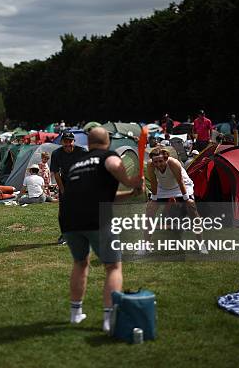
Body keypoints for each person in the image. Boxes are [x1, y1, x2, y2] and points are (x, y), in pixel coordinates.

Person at [59, 127, 143, 332]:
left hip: (69, 219)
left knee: (80, 262)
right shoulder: (108, 156)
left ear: (88, 143)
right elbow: (114, 164)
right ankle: (109, 319)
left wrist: (130, 194)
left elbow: (98, 196)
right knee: (113, 266)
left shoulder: (77, 164)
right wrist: (131, 182)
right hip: (97, 218)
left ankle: (75, 314)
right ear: (108, 142)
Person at [146, 147, 207, 252]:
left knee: (192, 210)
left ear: (166, 158)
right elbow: (153, 183)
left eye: (161, 161)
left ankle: (201, 245)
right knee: (149, 210)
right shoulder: (150, 165)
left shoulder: (174, 163)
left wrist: (187, 198)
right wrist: (153, 200)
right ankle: (145, 246)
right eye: (155, 162)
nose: (158, 164)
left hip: (182, 186)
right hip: (163, 188)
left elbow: (180, 182)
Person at [51, 131, 86, 245]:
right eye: (65, 141)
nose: (68, 144)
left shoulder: (82, 152)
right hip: (65, 182)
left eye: (70, 141)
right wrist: (62, 190)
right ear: (61, 142)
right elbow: (56, 173)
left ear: (74, 141)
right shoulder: (56, 154)